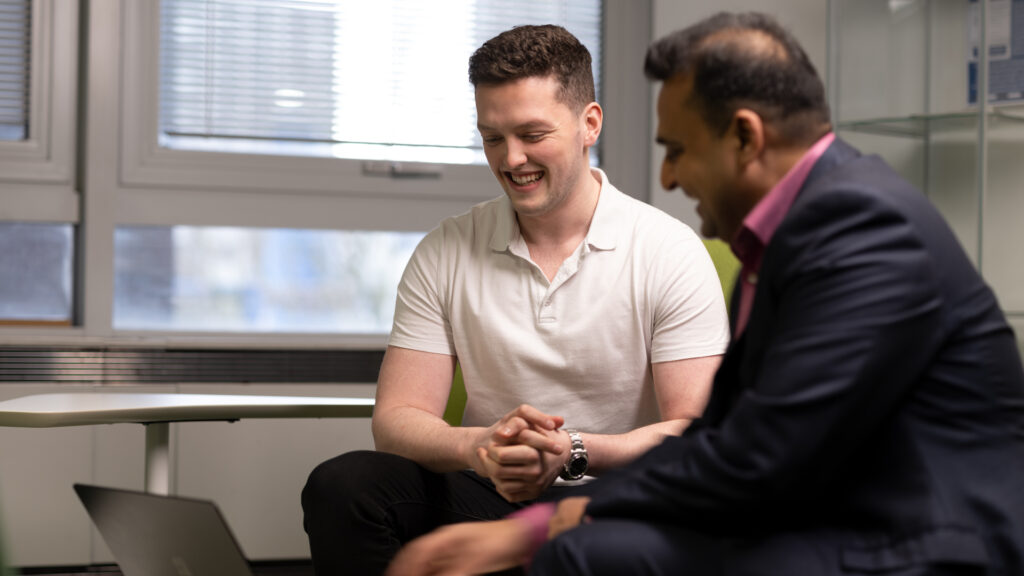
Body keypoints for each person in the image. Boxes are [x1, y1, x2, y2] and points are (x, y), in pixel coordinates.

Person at [385, 11, 1024, 576]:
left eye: (677, 150)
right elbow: (725, 435)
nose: (666, 175)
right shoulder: (801, 228)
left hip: (927, 533)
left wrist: (543, 524)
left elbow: (758, 455)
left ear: (744, 137)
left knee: (582, 553)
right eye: (493, 137)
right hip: (836, 504)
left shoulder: (860, 226)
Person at [301, 24, 731, 575]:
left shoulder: (667, 250)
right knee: (345, 485)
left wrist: (572, 450)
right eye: (493, 137)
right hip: (489, 494)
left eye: (532, 133)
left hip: (611, 503)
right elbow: (396, 420)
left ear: (588, 123)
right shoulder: (446, 249)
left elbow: (692, 432)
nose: (512, 158)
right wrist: (481, 447)